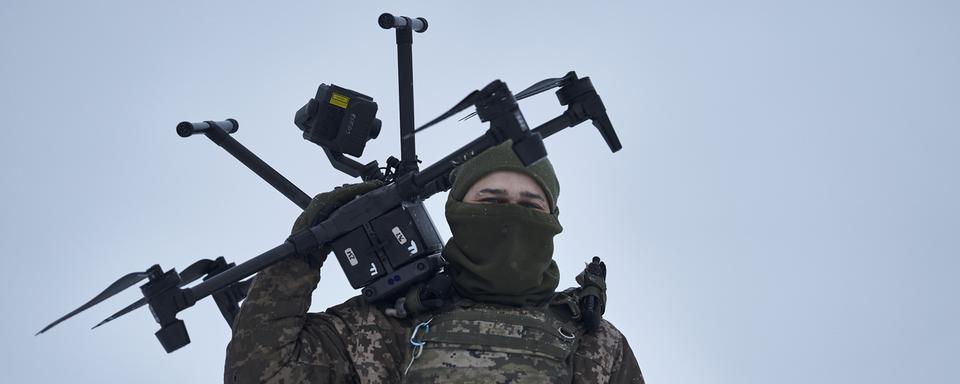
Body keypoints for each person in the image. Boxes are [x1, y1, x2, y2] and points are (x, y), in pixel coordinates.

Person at [224, 142, 644, 383]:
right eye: (491, 201)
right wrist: (303, 252)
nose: (510, 216)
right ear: (456, 210)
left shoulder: (595, 343)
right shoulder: (381, 325)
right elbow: (259, 374)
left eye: (530, 205)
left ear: (551, 219)